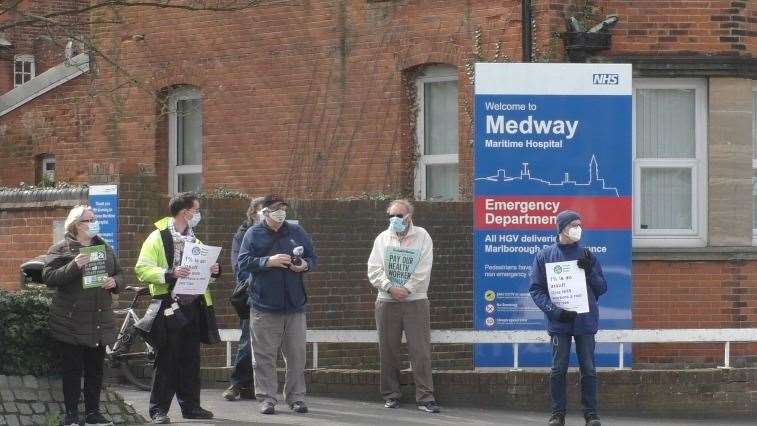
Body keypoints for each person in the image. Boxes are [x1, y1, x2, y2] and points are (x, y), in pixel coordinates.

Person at [135, 192, 220, 424]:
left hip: (193, 306)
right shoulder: (157, 237)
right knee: (167, 359)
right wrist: (169, 273)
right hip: (168, 305)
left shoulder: (196, 241)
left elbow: (204, 276)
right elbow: (142, 269)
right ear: (186, 212)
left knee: (191, 359)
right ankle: (158, 410)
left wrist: (213, 271)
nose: (198, 214)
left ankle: (191, 406)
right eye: (196, 210)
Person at [237, 194, 317, 415]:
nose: (281, 212)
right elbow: (242, 263)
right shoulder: (253, 234)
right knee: (263, 357)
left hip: (295, 305)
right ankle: (267, 398)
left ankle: (296, 398)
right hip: (264, 305)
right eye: (275, 209)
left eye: (283, 208)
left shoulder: (296, 232)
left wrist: (304, 265)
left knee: (297, 356)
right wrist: (267, 262)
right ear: (264, 212)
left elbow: (312, 258)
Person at [43, 205, 123, 426]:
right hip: (71, 321)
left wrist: (115, 282)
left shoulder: (104, 247)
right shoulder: (61, 248)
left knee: (95, 370)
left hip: (98, 320)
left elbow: (120, 273)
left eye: (94, 219)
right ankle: (71, 415)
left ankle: (93, 413)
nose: (93, 223)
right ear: (76, 225)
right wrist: (74, 265)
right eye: (89, 220)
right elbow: (49, 277)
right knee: (72, 370)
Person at [529, 210, 607, 426]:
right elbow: (536, 290)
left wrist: (590, 271)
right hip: (560, 322)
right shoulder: (545, 256)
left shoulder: (587, 255)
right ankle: (557, 414)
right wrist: (555, 312)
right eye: (573, 225)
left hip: (585, 321)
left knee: (589, 369)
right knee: (558, 369)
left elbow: (602, 288)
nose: (578, 228)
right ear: (562, 228)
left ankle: (591, 415)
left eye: (579, 224)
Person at [367, 199, 440, 414]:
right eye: (391, 216)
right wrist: (390, 287)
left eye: (399, 215)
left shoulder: (423, 236)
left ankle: (426, 397)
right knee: (387, 350)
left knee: (420, 351)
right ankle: (391, 395)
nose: (395, 219)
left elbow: (424, 267)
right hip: (386, 301)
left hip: (416, 300)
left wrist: (407, 288)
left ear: (410, 216)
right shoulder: (382, 238)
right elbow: (373, 269)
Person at [222, 196, 264, 401]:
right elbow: (239, 266)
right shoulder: (243, 233)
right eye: (263, 211)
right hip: (251, 294)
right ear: (253, 212)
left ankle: (251, 385)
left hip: (274, 295)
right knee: (248, 340)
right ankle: (238, 383)